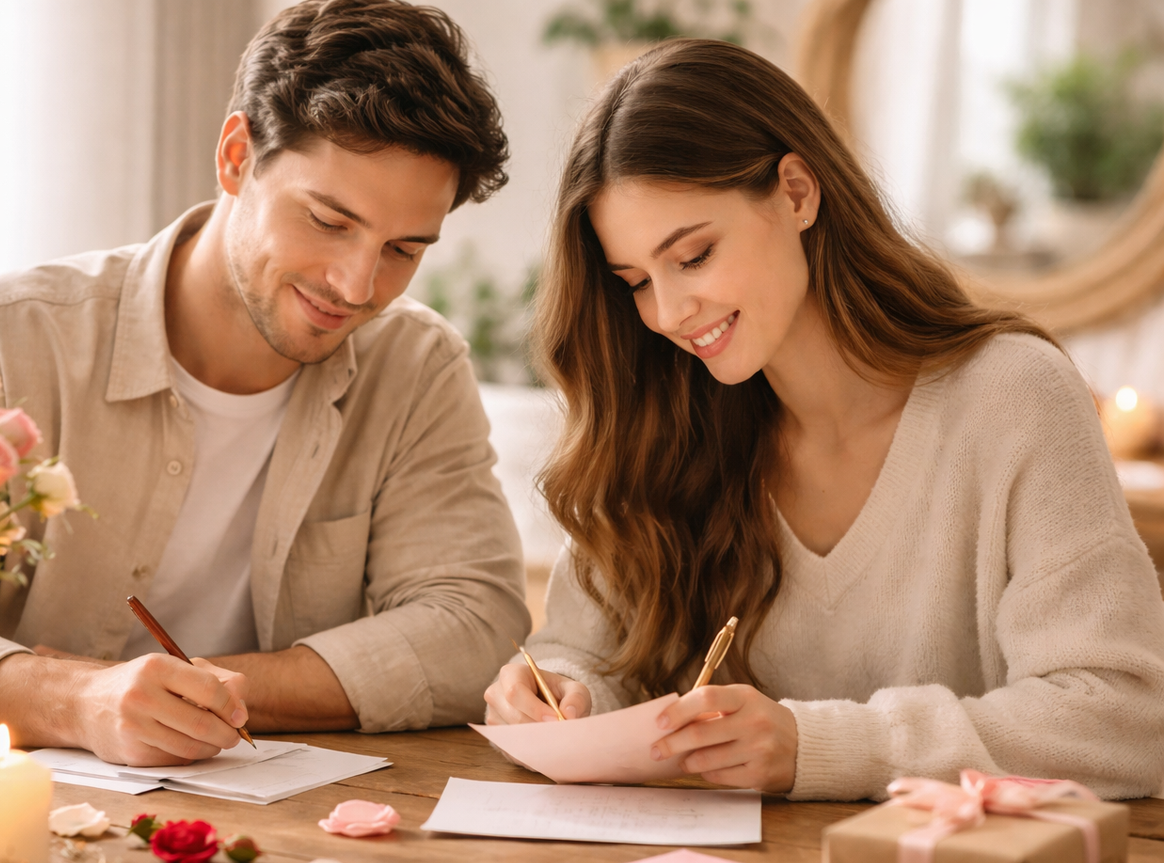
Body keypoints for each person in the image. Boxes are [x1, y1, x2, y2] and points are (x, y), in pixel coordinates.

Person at [484, 39, 1164, 801]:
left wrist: (818, 745)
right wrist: (560, 692)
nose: (668, 313)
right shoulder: (664, 417)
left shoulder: (1011, 397)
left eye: (694, 256)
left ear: (797, 193)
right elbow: (587, 655)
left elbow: (1121, 718)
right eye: (635, 280)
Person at [0, 0, 529, 766]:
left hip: (283, 815)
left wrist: (199, 692)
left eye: (402, 249)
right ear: (236, 157)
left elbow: (474, 625)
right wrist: (77, 701)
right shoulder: (3, 339)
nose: (357, 285)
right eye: (328, 221)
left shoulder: (415, 366)